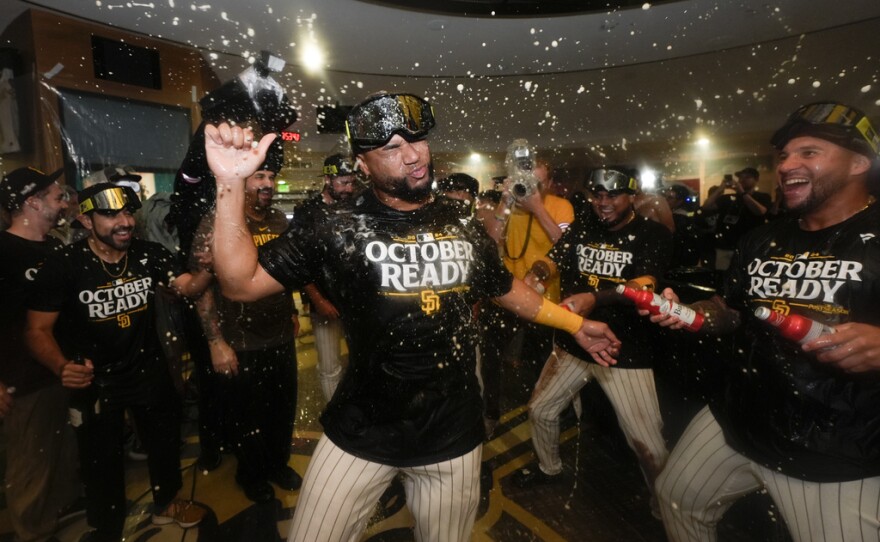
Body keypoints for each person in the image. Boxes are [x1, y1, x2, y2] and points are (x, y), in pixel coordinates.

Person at [203, 91, 620, 542]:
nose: (414, 156)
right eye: (391, 148)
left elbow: (506, 290)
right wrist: (229, 184)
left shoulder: (462, 223)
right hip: (364, 430)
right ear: (362, 164)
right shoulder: (334, 225)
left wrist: (576, 325)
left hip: (453, 435)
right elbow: (238, 282)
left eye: (416, 139)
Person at [651, 101, 880, 541]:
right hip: (737, 418)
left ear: (859, 162)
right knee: (676, 499)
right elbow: (731, 309)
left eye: (808, 153)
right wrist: (692, 316)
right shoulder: (764, 237)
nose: (787, 165)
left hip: (833, 450)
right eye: (784, 156)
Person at [25, 182, 212, 542]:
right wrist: (62, 367)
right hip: (94, 379)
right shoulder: (64, 265)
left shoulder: (149, 254)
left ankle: (167, 503)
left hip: (148, 369)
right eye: (110, 214)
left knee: (164, 443)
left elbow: (185, 287)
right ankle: (106, 526)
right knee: (100, 461)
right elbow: (37, 330)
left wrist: (210, 268)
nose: (124, 222)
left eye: (128, 212)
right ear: (85, 218)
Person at [513, 169, 672, 517]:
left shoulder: (651, 234)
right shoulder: (585, 226)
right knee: (540, 410)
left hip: (623, 349)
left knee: (646, 443)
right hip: (575, 342)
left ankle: (666, 508)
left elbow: (643, 284)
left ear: (632, 196)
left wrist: (594, 299)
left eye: (612, 195)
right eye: (597, 195)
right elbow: (553, 258)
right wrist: (534, 278)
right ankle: (549, 469)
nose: (603, 203)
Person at [192, 141, 303, 503]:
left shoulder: (278, 221)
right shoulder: (219, 223)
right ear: (242, 180)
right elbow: (202, 286)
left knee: (282, 407)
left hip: (280, 333)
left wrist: (291, 312)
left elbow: (283, 273)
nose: (267, 183)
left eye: (271, 176)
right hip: (240, 338)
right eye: (259, 176)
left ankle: (277, 464)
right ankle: (252, 474)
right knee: (248, 416)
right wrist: (215, 342)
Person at [0, 167, 82, 542]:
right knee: (31, 468)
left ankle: (53, 522)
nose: (62, 200)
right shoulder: (4, 251)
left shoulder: (53, 247)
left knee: (60, 460)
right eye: (54, 195)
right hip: (21, 381)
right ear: (31, 202)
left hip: (56, 373)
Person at [481, 156, 574, 434]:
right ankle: (490, 414)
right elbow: (491, 242)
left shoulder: (561, 206)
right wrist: (505, 202)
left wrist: (537, 208)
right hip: (508, 295)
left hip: (544, 300)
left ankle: (549, 414)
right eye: (525, 181)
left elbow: (566, 246)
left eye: (538, 182)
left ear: (549, 183)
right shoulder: (511, 207)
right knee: (489, 356)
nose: (530, 187)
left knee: (539, 362)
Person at [292, 153, 357, 400]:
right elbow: (300, 260)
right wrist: (317, 300)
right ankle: (334, 415)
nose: (348, 188)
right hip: (324, 302)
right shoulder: (307, 211)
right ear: (328, 179)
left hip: (356, 301)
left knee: (361, 361)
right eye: (343, 182)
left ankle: (358, 414)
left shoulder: (357, 206)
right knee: (330, 367)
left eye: (352, 182)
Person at [700, 165, 771, 275]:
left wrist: (742, 192)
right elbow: (706, 206)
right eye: (740, 177)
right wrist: (721, 188)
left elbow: (760, 211)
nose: (742, 180)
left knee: (746, 277)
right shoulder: (727, 198)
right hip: (725, 247)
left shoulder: (762, 197)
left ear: (756, 180)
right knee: (722, 277)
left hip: (749, 247)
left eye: (747, 177)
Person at [663, 183, 701, 267]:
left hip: (679, 262)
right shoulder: (682, 215)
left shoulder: (679, 218)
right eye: (665, 196)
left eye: (670, 198)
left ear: (680, 201)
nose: (665, 200)